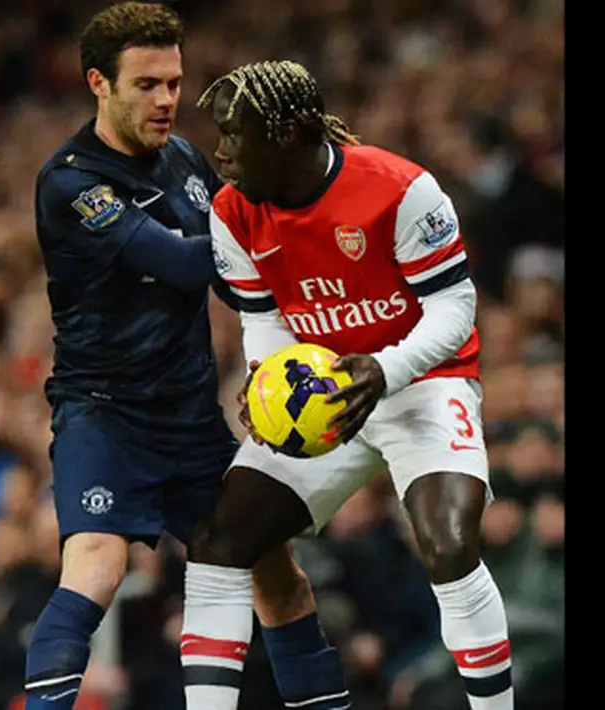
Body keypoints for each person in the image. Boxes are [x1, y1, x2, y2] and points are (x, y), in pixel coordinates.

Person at [25, 6, 350, 709]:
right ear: (97, 84)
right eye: (146, 84)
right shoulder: (72, 184)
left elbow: (236, 278)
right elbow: (179, 262)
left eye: (173, 82)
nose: (167, 99)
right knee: (96, 566)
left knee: (276, 571)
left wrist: (285, 348)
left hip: (190, 421)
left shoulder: (184, 162)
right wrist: (287, 230)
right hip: (105, 418)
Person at [180, 59, 515, 710]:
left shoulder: (399, 188)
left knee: (447, 544)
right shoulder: (231, 210)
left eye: (233, 135)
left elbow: (454, 306)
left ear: (289, 135)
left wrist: (385, 368)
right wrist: (267, 376)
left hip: (419, 382)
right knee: (217, 543)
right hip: (321, 395)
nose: (218, 152)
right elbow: (264, 315)